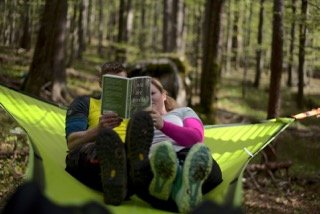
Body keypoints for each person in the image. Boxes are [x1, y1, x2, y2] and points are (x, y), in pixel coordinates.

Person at [127, 78, 223, 213]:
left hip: (185, 156)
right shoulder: (134, 121)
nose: (147, 99)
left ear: (164, 95)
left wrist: (163, 125)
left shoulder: (183, 112)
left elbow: (196, 137)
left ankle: (172, 183)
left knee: (202, 157)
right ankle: (184, 191)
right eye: (142, 96)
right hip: (151, 166)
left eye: (152, 94)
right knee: (140, 171)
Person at [65, 62, 131, 205]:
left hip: (127, 153)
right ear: (101, 83)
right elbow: (72, 143)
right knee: (104, 147)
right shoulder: (85, 103)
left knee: (134, 154)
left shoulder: (133, 112)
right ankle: (120, 176)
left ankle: (123, 176)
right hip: (93, 152)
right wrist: (98, 130)